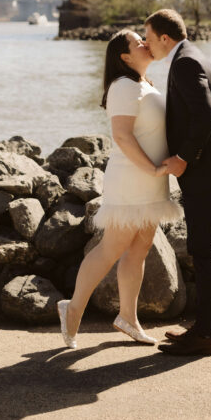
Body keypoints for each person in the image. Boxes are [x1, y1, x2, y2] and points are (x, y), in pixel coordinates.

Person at [57, 29, 183, 349]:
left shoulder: (144, 84)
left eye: (145, 38)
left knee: (140, 248)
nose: (145, 42)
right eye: (137, 42)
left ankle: (128, 318)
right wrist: (153, 168)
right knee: (112, 247)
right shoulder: (123, 86)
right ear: (124, 57)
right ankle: (73, 309)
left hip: (152, 179)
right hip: (132, 178)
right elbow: (123, 136)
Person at [144, 8, 211, 358]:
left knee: (204, 251)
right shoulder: (194, 56)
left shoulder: (184, 63)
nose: (146, 44)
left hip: (204, 172)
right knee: (208, 250)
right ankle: (209, 329)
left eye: (149, 38)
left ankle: (205, 334)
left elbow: (205, 115)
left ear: (165, 38)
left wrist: (183, 158)